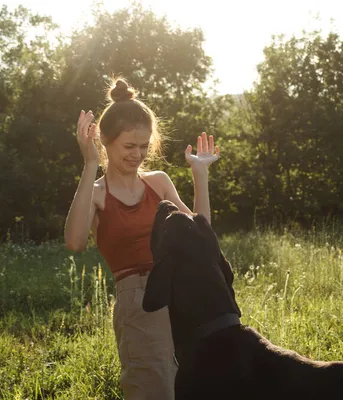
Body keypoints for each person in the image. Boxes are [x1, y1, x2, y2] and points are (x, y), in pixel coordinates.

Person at [64, 77, 219, 399]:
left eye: (144, 146)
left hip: (184, 291)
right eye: (129, 146)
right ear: (105, 142)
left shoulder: (159, 183)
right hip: (139, 300)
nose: (138, 155)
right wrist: (90, 163)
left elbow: (201, 237)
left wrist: (200, 175)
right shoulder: (96, 194)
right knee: (155, 386)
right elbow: (75, 242)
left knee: (197, 381)